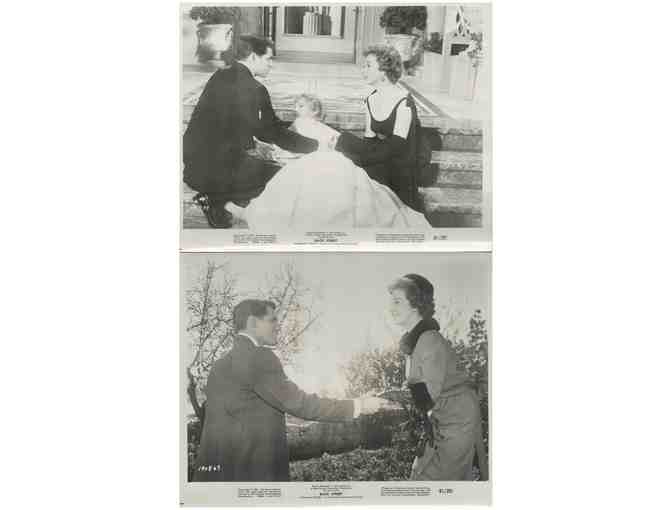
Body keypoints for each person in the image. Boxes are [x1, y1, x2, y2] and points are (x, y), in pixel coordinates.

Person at [192, 299, 385, 482]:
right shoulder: (260, 358)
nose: (278, 325)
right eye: (272, 320)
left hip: (216, 481)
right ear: (252, 323)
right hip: (252, 479)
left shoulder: (219, 366)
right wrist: (357, 405)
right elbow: (301, 404)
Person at [223, 92, 430, 230]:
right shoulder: (300, 124)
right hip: (317, 153)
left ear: (314, 111)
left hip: (322, 154)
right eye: (297, 105)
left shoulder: (309, 124)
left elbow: (318, 140)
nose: (297, 108)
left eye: (302, 106)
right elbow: (294, 142)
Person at [183, 35, 319, 228]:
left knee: (259, 163)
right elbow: (271, 132)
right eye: (268, 59)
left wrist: (296, 126)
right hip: (217, 172)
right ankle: (218, 201)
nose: (271, 65)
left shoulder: (220, 75)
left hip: (193, 165)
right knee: (284, 175)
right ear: (254, 57)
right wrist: (315, 145)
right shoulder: (255, 89)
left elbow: (261, 126)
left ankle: (219, 197)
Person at [387, 274, 486, 481]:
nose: (391, 307)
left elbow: (426, 396)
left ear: (415, 303)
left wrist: (392, 396)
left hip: (458, 419)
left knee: (432, 483)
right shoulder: (413, 343)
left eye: (397, 301)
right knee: (422, 476)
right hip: (441, 418)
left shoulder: (429, 340)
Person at [334, 44, 424, 211]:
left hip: (398, 163)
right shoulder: (371, 99)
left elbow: (397, 146)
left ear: (384, 70)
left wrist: (363, 160)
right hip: (379, 154)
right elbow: (369, 139)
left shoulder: (404, 100)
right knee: (343, 140)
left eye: (368, 65)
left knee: (353, 163)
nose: (363, 70)